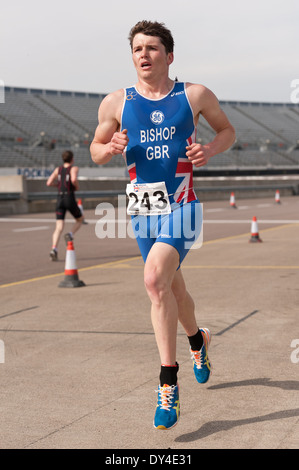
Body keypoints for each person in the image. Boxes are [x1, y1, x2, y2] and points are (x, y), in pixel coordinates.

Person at [90, 20, 235, 430]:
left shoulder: (194, 96)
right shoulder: (116, 103)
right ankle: (198, 341)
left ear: (168, 56)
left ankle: (167, 383)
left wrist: (208, 148)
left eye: (153, 48)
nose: (144, 54)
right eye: (138, 48)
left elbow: (228, 130)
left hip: (183, 205)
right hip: (143, 210)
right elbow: (96, 150)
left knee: (154, 281)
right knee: (173, 288)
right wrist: (109, 146)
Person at [46, 150, 83, 260]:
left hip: (59, 198)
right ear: (72, 159)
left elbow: (48, 183)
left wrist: (57, 185)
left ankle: (54, 249)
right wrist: (76, 186)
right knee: (80, 219)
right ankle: (70, 234)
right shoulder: (74, 168)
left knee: (59, 227)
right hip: (69, 197)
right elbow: (73, 179)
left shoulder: (58, 169)